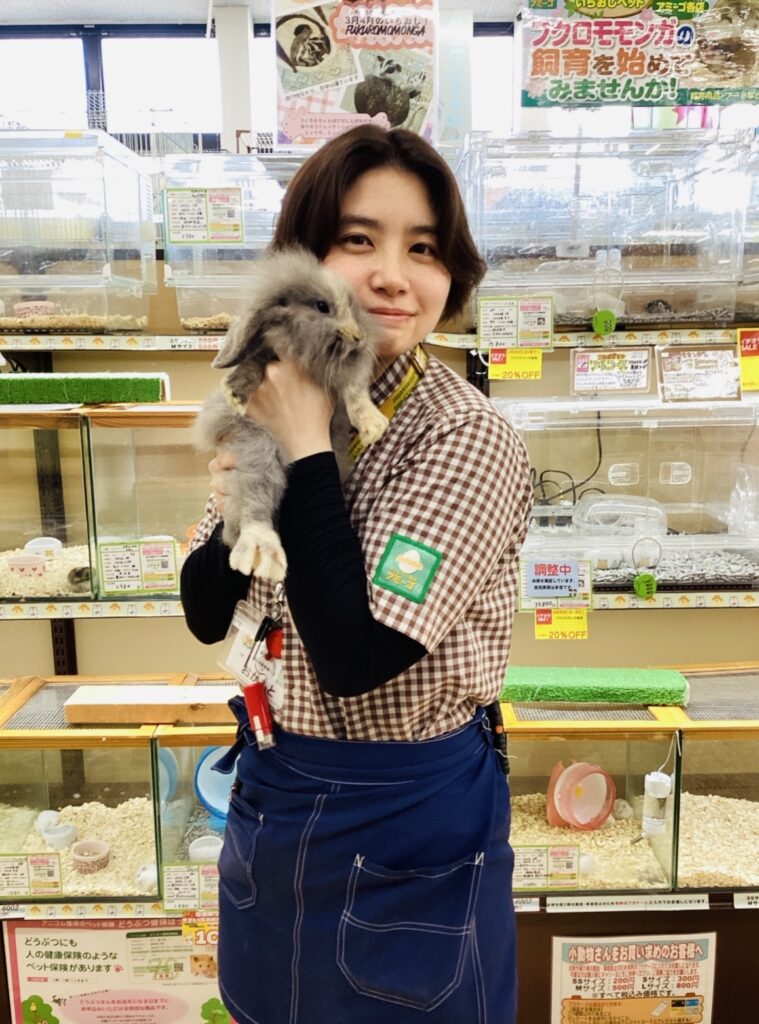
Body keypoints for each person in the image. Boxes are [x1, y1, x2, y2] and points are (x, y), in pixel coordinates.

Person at [181, 124, 532, 1024]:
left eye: (423, 249)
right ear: (301, 261)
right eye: (357, 239)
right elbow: (205, 607)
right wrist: (240, 498)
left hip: (407, 805)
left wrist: (304, 448)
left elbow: (355, 656)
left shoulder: (463, 437)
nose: (391, 276)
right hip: (275, 783)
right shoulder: (273, 391)